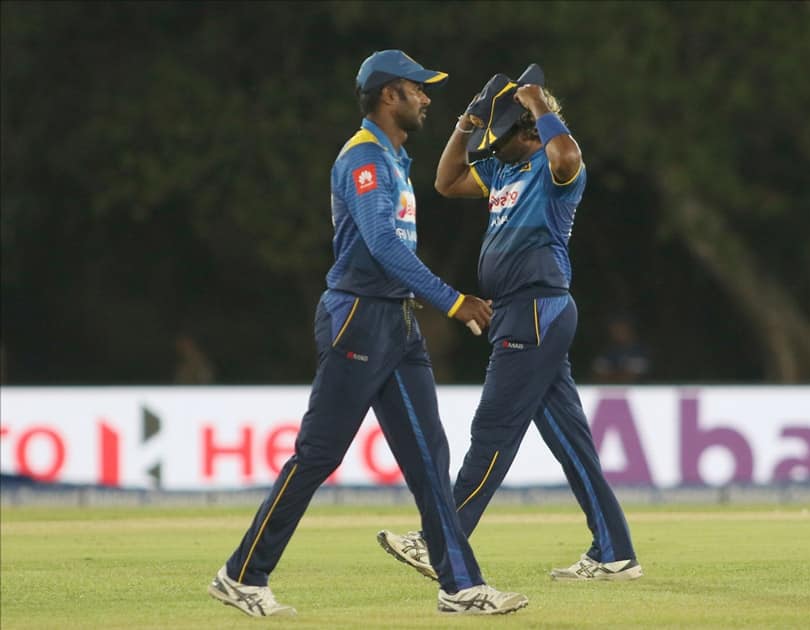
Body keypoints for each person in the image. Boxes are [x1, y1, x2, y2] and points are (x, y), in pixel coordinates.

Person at [207, 50, 528, 617]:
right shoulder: (365, 159)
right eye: (417, 89)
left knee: (430, 456)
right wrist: (453, 302)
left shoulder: (393, 158)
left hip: (395, 322)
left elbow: (390, 251)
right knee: (317, 455)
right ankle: (242, 574)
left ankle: (460, 585)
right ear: (388, 95)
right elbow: (382, 247)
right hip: (359, 316)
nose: (427, 97)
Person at [377, 64, 643, 583]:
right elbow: (446, 180)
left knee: (493, 430)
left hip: (537, 308)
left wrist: (538, 102)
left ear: (527, 131)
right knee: (570, 442)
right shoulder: (503, 171)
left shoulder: (553, 166)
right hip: (523, 311)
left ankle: (440, 540)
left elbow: (568, 154)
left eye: (503, 132)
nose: (492, 142)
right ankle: (614, 552)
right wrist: (468, 123)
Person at [591, 313, 650, 384]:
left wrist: (613, 373)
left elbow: (634, 376)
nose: (618, 332)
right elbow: (598, 375)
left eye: (622, 328)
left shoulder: (640, 351)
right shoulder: (608, 351)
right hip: (610, 391)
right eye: (615, 329)